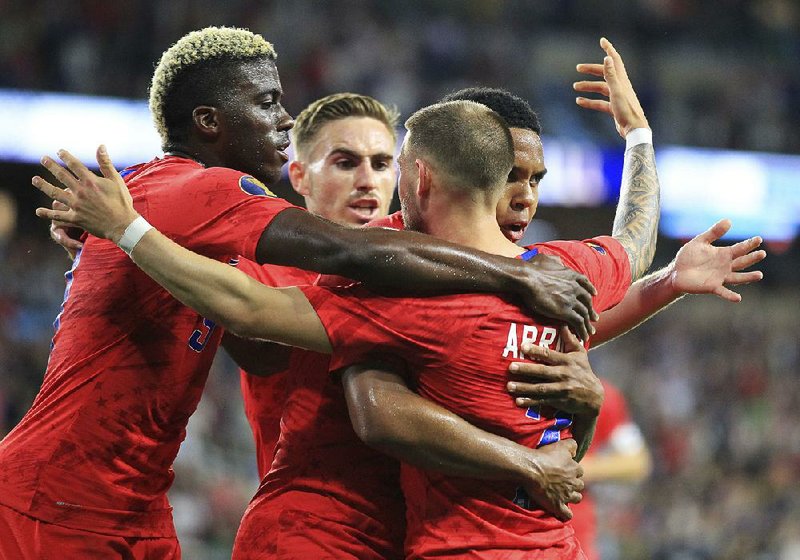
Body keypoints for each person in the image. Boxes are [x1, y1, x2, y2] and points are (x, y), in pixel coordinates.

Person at [0, 27, 598, 559]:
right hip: (62, 497)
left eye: (381, 163)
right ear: (210, 123)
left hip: (135, 503)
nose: (283, 119)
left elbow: (268, 349)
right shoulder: (202, 188)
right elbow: (348, 252)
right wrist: (515, 273)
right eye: (265, 103)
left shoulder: (185, 217)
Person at [227, 92, 401, 477]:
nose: (367, 180)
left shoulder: (423, 267)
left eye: (382, 163)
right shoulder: (258, 275)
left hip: (415, 528)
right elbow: (259, 351)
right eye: (345, 163)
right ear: (300, 176)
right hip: (307, 523)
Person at [568, 379, 651, 560]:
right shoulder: (499, 385)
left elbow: (637, 462)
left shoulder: (596, 392)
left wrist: (577, 469)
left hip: (573, 532)